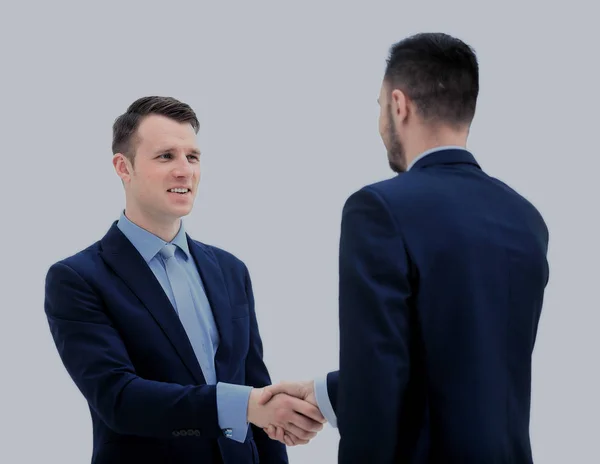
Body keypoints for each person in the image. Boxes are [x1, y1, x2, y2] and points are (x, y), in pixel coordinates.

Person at [261, 32, 550, 463]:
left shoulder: (378, 209)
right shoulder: (526, 219)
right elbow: (463, 363)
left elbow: (381, 380)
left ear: (400, 105)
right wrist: (326, 393)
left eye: (380, 107)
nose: (381, 122)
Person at [43, 96, 325, 464]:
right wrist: (244, 406)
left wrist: (270, 418)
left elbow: (255, 387)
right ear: (123, 167)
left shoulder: (230, 269)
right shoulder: (77, 279)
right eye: (166, 156)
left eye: (192, 156)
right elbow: (119, 399)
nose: (184, 170)